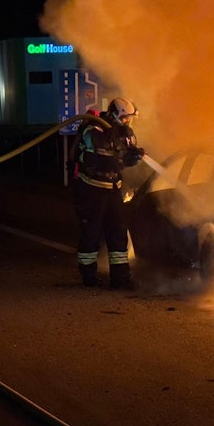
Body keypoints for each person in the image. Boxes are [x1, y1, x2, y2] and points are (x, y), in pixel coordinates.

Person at [73, 97, 145, 289]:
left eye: (130, 119)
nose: (128, 122)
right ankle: (88, 276)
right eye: (125, 118)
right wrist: (121, 154)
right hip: (92, 190)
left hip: (113, 189)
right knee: (91, 234)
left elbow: (122, 160)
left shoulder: (123, 132)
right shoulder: (93, 130)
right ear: (115, 115)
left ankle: (120, 279)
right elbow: (103, 158)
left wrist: (133, 157)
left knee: (118, 233)